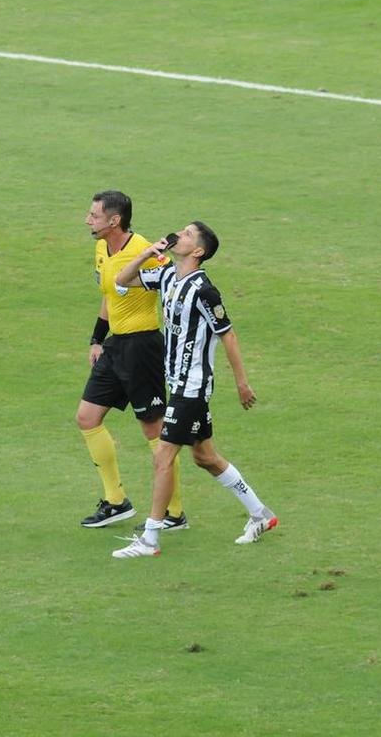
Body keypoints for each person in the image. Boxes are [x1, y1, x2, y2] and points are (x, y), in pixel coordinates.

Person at [109, 221, 278, 558]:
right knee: (205, 457)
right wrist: (146, 252)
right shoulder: (168, 275)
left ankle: (151, 539)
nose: (179, 235)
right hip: (178, 384)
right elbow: (121, 280)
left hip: (193, 386)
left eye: (187, 234)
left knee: (164, 455)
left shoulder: (204, 291)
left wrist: (242, 383)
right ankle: (262, 514)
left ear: (198, 251)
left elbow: (227, 334)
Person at [76, 191, 187, 529]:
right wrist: (97, 338)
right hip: (115, 346)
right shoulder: (101, 248)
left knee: (154, 429)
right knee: (87, 417)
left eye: (94, 215)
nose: (87, 220)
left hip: (143, 348)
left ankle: (174, 513)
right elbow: (109, 297)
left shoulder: (143, 251)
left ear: (115, 221)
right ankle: (116, 501)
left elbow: (175, 283)